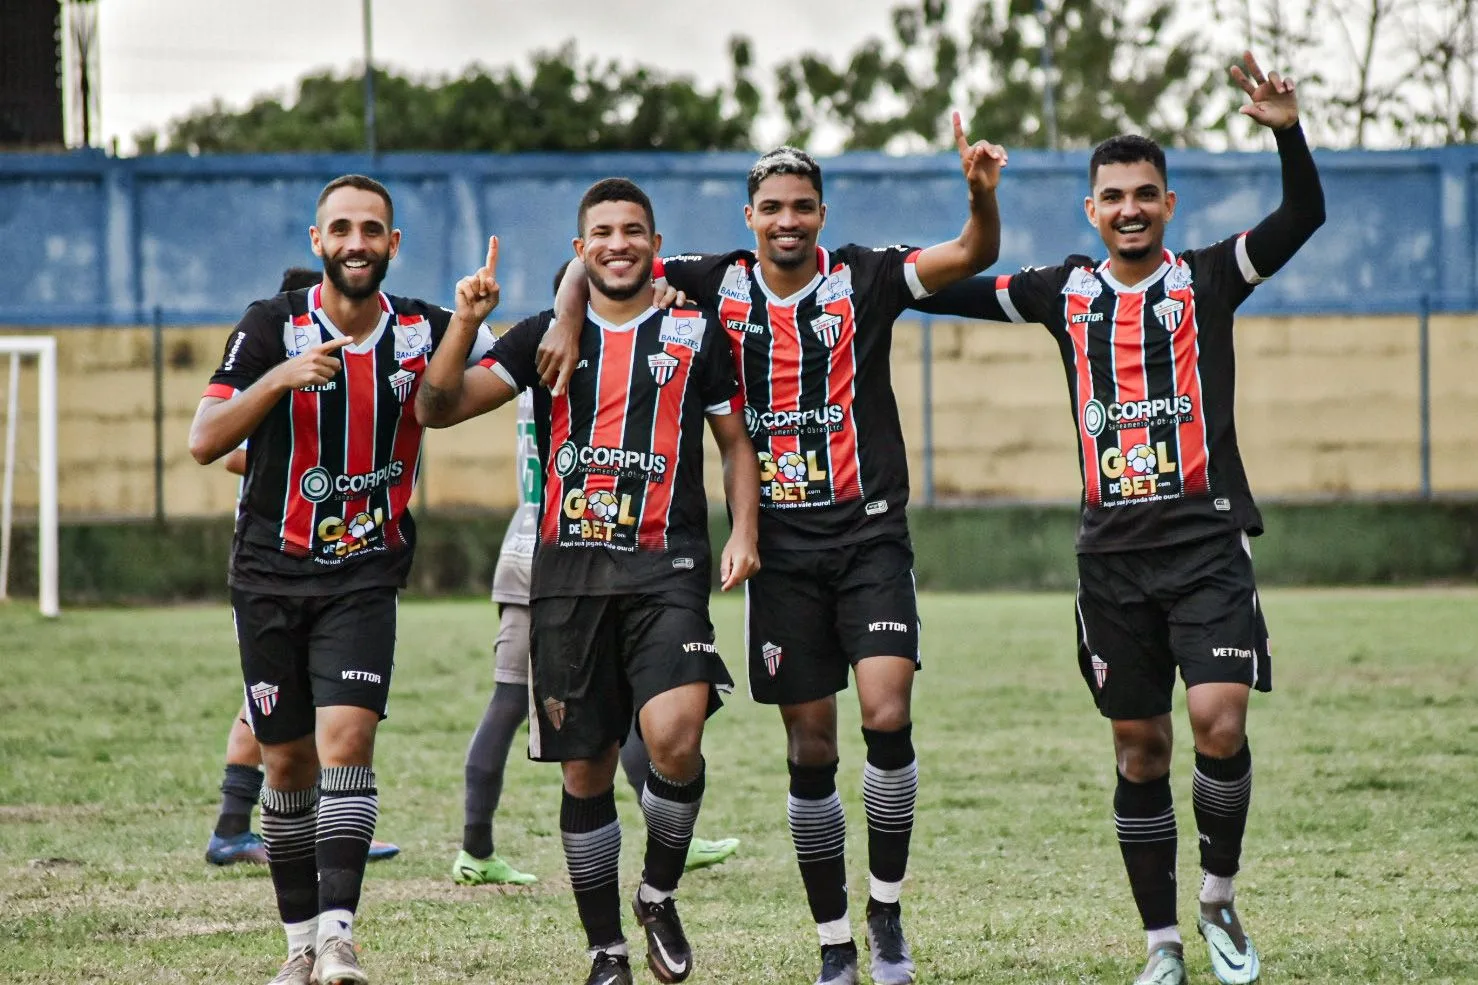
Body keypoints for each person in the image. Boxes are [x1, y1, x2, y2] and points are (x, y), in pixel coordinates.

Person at [539, 114, 1005, 985]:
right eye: (772, 208)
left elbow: (971, 253)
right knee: (812, 743)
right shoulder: (711, 282)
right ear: (748, 217)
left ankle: (886, 914)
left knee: (887, 708)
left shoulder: (866, 276)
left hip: (867, 529)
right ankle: (833, 939)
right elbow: (603, 261)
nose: (787, 221)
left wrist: (981, 195)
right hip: (782, 550)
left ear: (821, 214)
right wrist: (566, 314)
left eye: (802, 207)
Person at [910, 53, 1325, 985]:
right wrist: (957, 216)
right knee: (1141, 747)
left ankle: (1217, 893)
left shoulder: (1211, 279)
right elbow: (945, 284)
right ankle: (1162, 946)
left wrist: (1286, 130)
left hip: (1207, 546)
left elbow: (1303, 217)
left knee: (1219, 722)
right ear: (1090, 211)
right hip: (1112, 561)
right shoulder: (1065, 293)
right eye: (1113, 196)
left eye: (1145, 193)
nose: (1129, 207)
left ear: (1168, 205)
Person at [416, 177, 761, 985]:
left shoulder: (693, 330)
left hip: (667, 568)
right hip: (567, 579)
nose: (618, 244)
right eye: (601, 232)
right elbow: (437, 407)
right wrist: (466, 321)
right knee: (587, 771)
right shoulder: (542, 338)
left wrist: (743, 529)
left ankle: (659, 890)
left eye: (633, 230)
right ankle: (606, 949)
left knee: (676, 735)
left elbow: (735, 440)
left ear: (654, 241)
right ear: (581, 250)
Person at [188, 177, 491, 985]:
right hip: (268, 573)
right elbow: (204, 439)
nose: (357, 242)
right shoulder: (269, 325)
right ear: (318, 240)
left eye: (373, 230)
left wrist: (468, 321)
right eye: (342, 229)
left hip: (364, 572)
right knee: (285, 767)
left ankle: (339, 939)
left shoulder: (422, 328)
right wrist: (280, 379)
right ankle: (295, 946)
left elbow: (448, 398)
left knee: (347, 742)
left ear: (393, 244)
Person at [452, 261, 739, 889]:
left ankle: (665, 825)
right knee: (516, 704)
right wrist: (563, 313)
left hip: (600, 557)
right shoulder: (551, 354)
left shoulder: (585, 355)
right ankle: (475, 844)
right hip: (547, 556)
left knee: (645, 708)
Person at [206, 267, 399, 870]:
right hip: (273, 565)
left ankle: (286, 826)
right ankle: (238, 826)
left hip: (347, 566)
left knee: (306, 711)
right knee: (270, 708)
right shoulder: (275, 360)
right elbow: (222, 445)